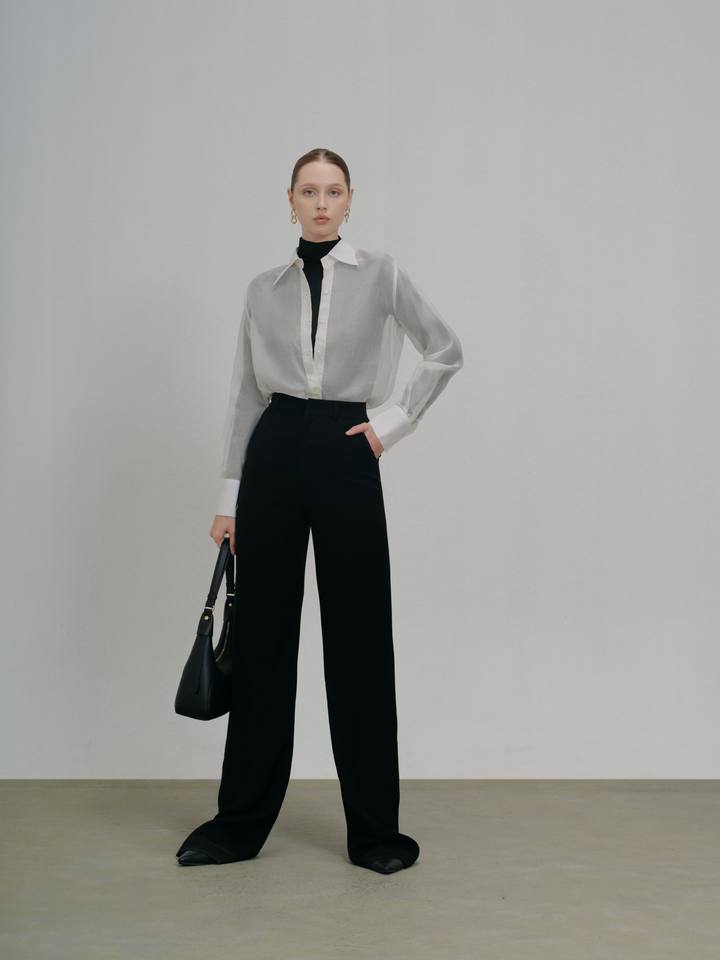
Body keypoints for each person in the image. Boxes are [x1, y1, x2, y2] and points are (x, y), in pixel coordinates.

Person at [176, 147, 464, 874]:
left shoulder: (383, 274)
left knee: (360, 637)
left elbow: (444, 350)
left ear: (350, 198)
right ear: (291, 200)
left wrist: (391, 424)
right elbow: (246, 394)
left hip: (345, 450)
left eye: (333, 191)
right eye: (309, 191)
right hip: (273, 452)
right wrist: (229, 498)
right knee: (262, 641)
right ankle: (239, 823)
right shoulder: (263, 289)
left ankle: (375, 832)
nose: (322, 203)